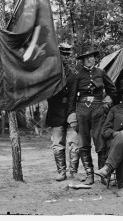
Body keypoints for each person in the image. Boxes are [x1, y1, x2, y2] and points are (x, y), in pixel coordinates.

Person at [67, 44, 117, 185]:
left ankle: (102, 174)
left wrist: (108, 103)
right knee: (84, 142)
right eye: (86, 58)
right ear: (82, 60)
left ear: (95, 59)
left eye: (91, 57)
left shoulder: (101, 73)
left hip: (98, 109)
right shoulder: (78, 75)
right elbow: (71, 97)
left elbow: (113, 90)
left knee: (100, 141)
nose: (89, 60)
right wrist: (71, 115)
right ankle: (89, 174)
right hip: (82, 110)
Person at [45, 43, 80, 181]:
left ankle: (73, 172)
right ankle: (61, 172)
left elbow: (73, 96)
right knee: (57, 144)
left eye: (67, 54)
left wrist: (72, 113)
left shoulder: (73, 74)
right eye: (63, 54)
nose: (65, 57)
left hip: (70, 111)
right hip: (55, 111)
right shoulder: (50, 72)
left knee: (74, 143)